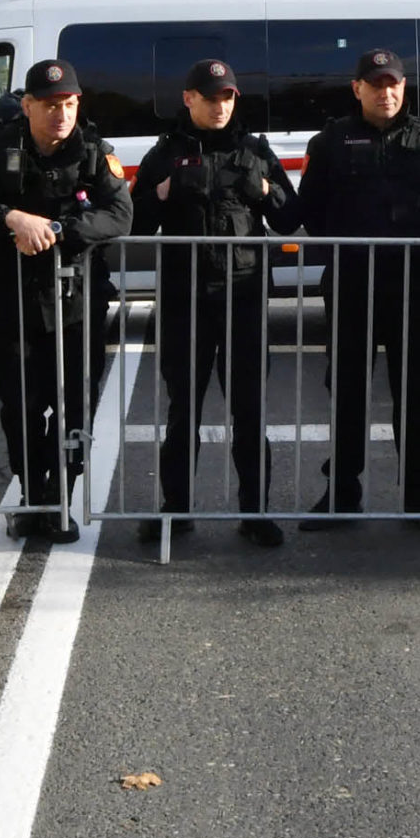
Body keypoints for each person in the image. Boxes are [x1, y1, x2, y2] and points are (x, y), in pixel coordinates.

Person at [0, 59, 132, 543]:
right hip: (15, 301)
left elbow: (120, 214)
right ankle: (32, 494)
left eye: (68, 104)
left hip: (77, 302)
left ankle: (61, 500)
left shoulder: (93, 151)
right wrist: (11, 218)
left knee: (73, 406)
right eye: (50, 106)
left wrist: (59, 230)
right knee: (21, 406)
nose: (61, 114)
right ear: (27, 106)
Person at [133, 59, 298, 547]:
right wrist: (163, 192)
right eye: (210, 97)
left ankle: (256, 511)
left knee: (249, 412)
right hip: (185, 303)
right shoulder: (164, 154)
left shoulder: (255, 151)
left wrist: (264, 190)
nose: (220, 105)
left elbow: (291, 219)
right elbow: (134, 224)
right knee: (183, 412)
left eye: (227, 97)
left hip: (244, 302)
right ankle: (176, 510)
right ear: (189, 99)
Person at [298, 48, 420, 530]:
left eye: (393, 83)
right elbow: (313, 209)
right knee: (347, 392)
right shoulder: (330, 141)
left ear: (403, 87)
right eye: (375, 84)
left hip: (415, 283)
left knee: (417, 394)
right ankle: (342, 496)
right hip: (353, 283)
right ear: (357, 89)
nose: (385, 92)